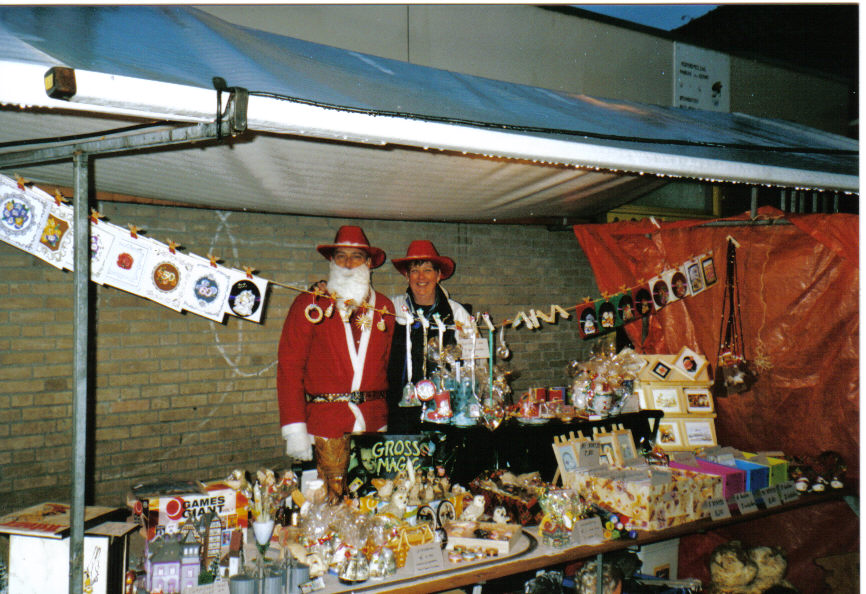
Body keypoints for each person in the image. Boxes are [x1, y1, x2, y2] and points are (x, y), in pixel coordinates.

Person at [277, 225, 395, 502]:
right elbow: (289, 367)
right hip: (326, 424)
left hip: (374, 425)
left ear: (369, 264)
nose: (347, 264)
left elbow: (387, 364)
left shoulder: (386, 309)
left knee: (376, 503)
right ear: (331, 262)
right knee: (329, 505)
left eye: (356, 257)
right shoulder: (310, 305)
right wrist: (295, 428)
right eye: (340, 256)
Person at [387, 240, 472, 433]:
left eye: (427, 270)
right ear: (406, 275)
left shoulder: (456, 313)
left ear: (439, 275)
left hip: (445, 408)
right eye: (414, 271)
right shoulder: (393, 309)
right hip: (401, 408)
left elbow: (475, 361)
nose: (421, 277)